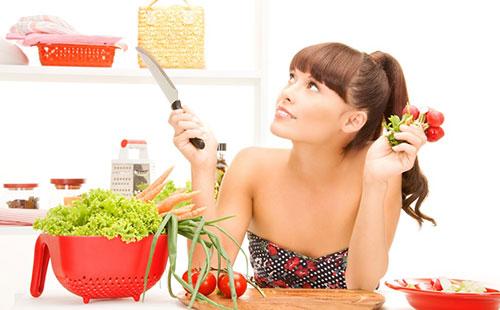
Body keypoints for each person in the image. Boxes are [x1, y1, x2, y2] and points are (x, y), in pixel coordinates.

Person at [168, 42, 434, 291]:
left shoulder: (378, 171)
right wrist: (202, 168)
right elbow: (205, 277)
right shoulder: (251, 166)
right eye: (292, 77)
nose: (287, 93)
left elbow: (363, 286)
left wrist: (375, 182)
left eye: (313, 86)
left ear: (353, 121)